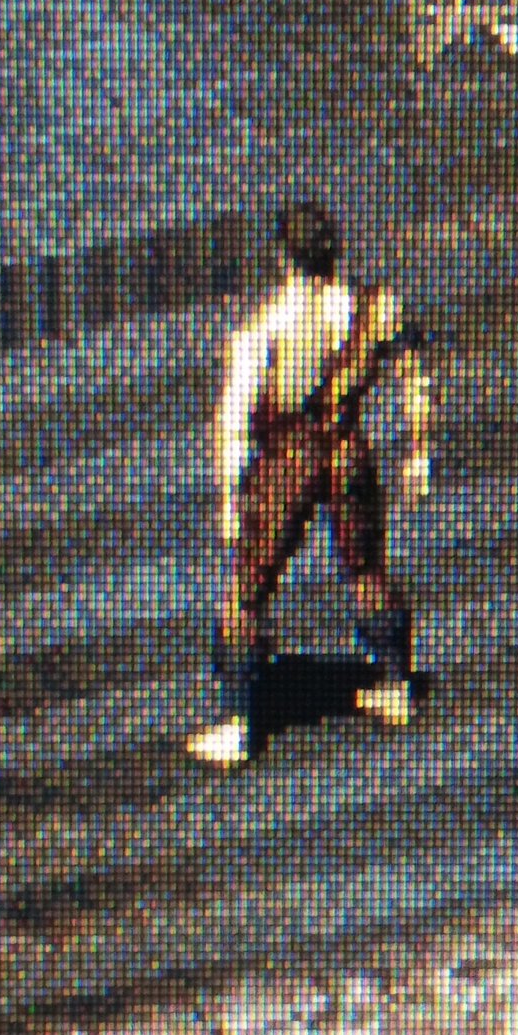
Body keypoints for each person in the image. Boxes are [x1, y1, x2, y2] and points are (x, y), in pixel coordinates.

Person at [186, 202, 434, 768]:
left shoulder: (264, 330)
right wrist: (418, 454)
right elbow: (414, 380)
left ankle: (239, 725)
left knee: (246, 591)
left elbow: (234, 423)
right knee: (367, 569)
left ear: (284, 257)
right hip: (347, 453)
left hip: (287, 465)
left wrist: (229, 498)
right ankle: (397, 686)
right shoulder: (377, 308)